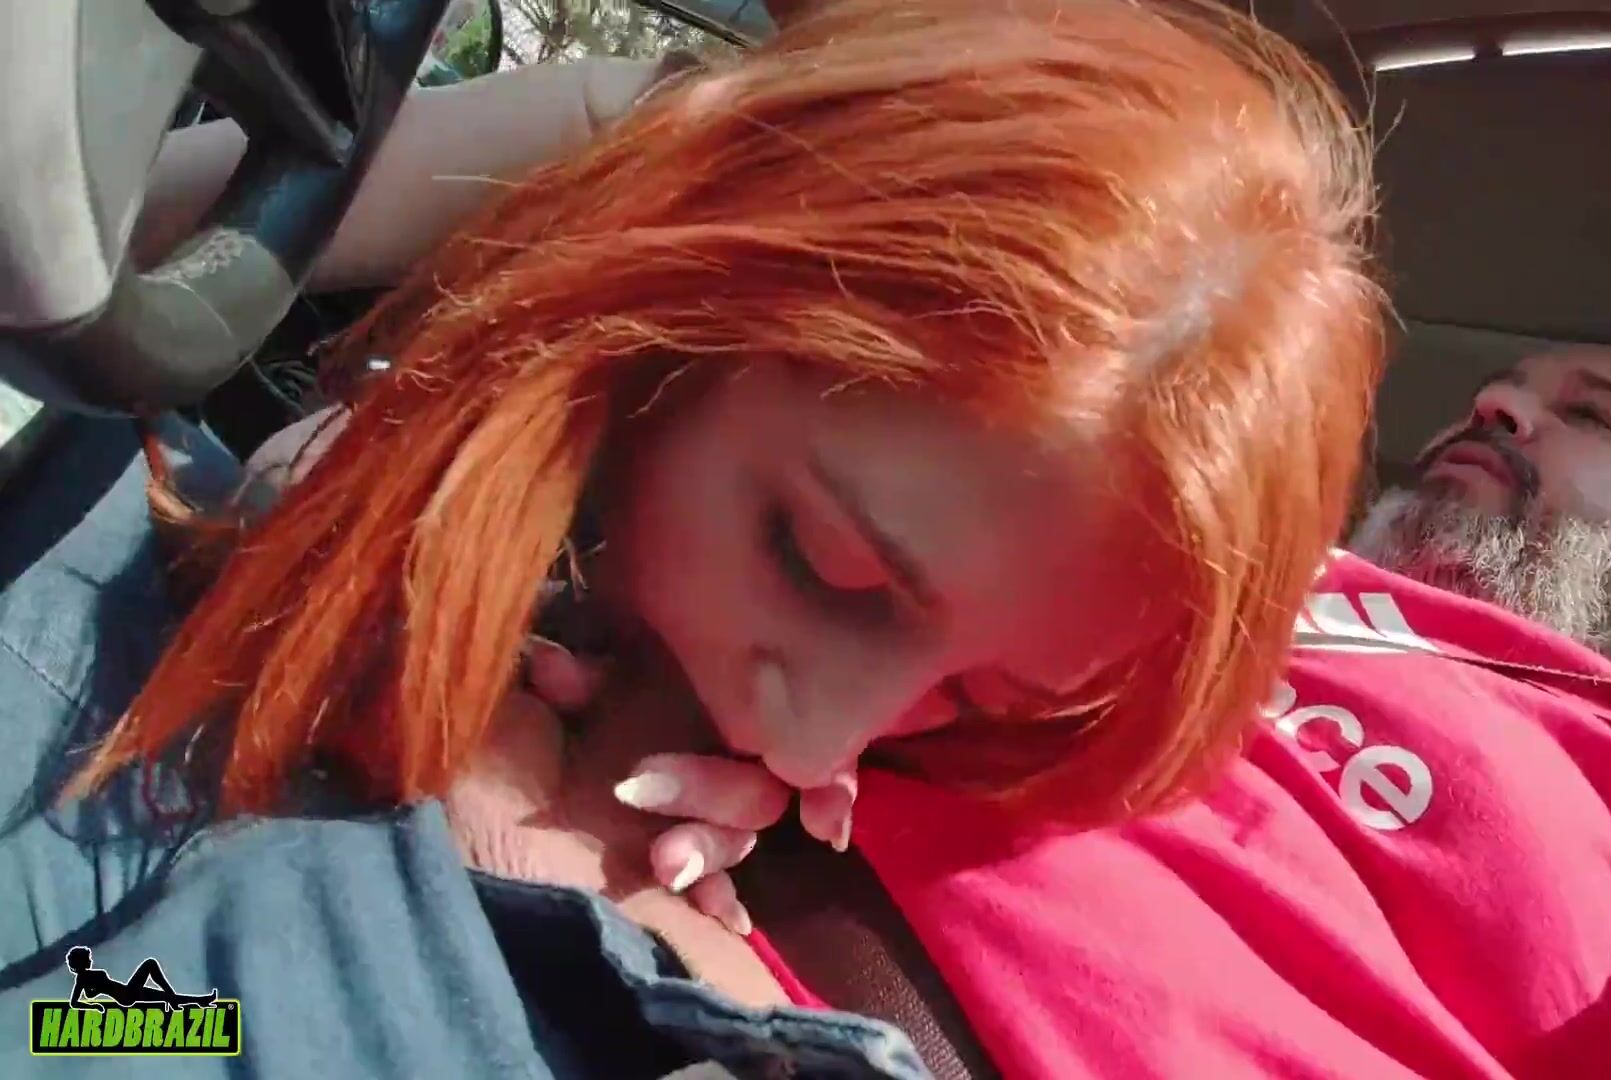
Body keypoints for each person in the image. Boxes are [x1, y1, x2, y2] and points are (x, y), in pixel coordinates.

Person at [0, 0, 1384, 1074]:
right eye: (825, 565)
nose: (819, 741)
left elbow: (107, 1029)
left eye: (979, 697)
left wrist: (517, 900)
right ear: (682, 318)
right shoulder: (72, 588)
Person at [769, 342, 1611, 1076]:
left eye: (1590, 417)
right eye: (1505, 388)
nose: (1499, 404)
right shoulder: (1210, 544)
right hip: (717, 902)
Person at [64, 947, 216, 1013]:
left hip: (126, 993)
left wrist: (94, 1001)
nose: (90, 960)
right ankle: (179, 1000)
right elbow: (74, 1002)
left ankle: (201, 1001)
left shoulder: (87, 977)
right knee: (150, 964)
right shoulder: (84, 978)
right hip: (125, 995)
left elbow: (81, 998)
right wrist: (95, 1006)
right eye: (88, 958)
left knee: (162, 996)